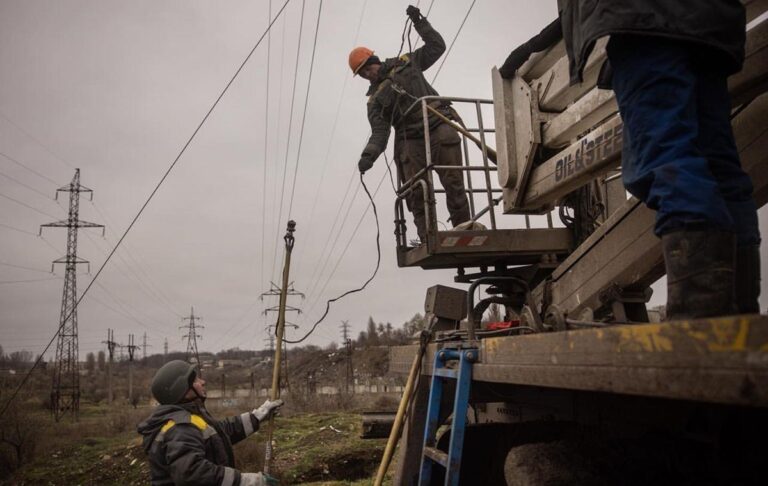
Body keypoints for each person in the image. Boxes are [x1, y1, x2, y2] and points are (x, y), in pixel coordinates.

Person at [556, 0, 761, 319]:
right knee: (719, 166)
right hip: (711, 24)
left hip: (643, 18)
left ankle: (701, 316)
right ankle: (737, 310)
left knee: (668, 159)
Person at [351, 4, 471, 244]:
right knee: (416, 192)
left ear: (374, 60)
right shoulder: (374, 102)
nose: (367, 75)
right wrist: (369, 155)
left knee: (454, 183)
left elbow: (437, 47)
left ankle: (465, 230)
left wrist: (419, 22)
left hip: (439, 123)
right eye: (362, 74)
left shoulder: (406, 62)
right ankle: (429, 237)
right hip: (409, 138)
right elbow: (380, 133)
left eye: (367, 68)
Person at [137, 360, 284, 486]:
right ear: (183, 390)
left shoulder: (189, 418)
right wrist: (243, 481)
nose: (202, 382)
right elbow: (192, 474)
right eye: (195, 380)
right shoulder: (179, 427)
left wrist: (257, 416)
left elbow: (221, 433)